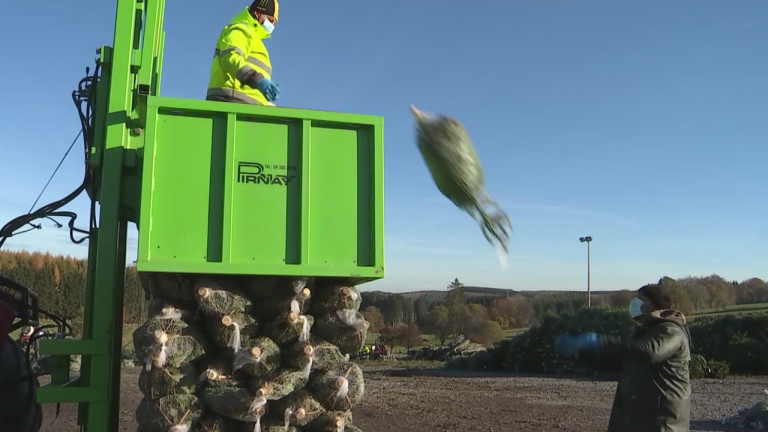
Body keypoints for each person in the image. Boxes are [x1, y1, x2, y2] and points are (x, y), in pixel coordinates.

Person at [555, 283, 692, 432]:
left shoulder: (671, 331)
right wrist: (580, 353)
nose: (634, 303)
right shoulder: (641, 334)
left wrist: (599, 341)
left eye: (641, 299)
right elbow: (616, 363)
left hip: (663, 423)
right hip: (639, 419)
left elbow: (649, 352)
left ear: (655, 305)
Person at [207, 1, 281, 105]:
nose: (272, 25)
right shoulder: (241, 30)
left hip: (246, 105)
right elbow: (231, 58)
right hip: (232, 101)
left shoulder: (255, 40)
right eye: (270, 20)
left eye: (274, 23)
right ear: (257, 14)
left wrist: (264, 102)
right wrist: (259, 81)